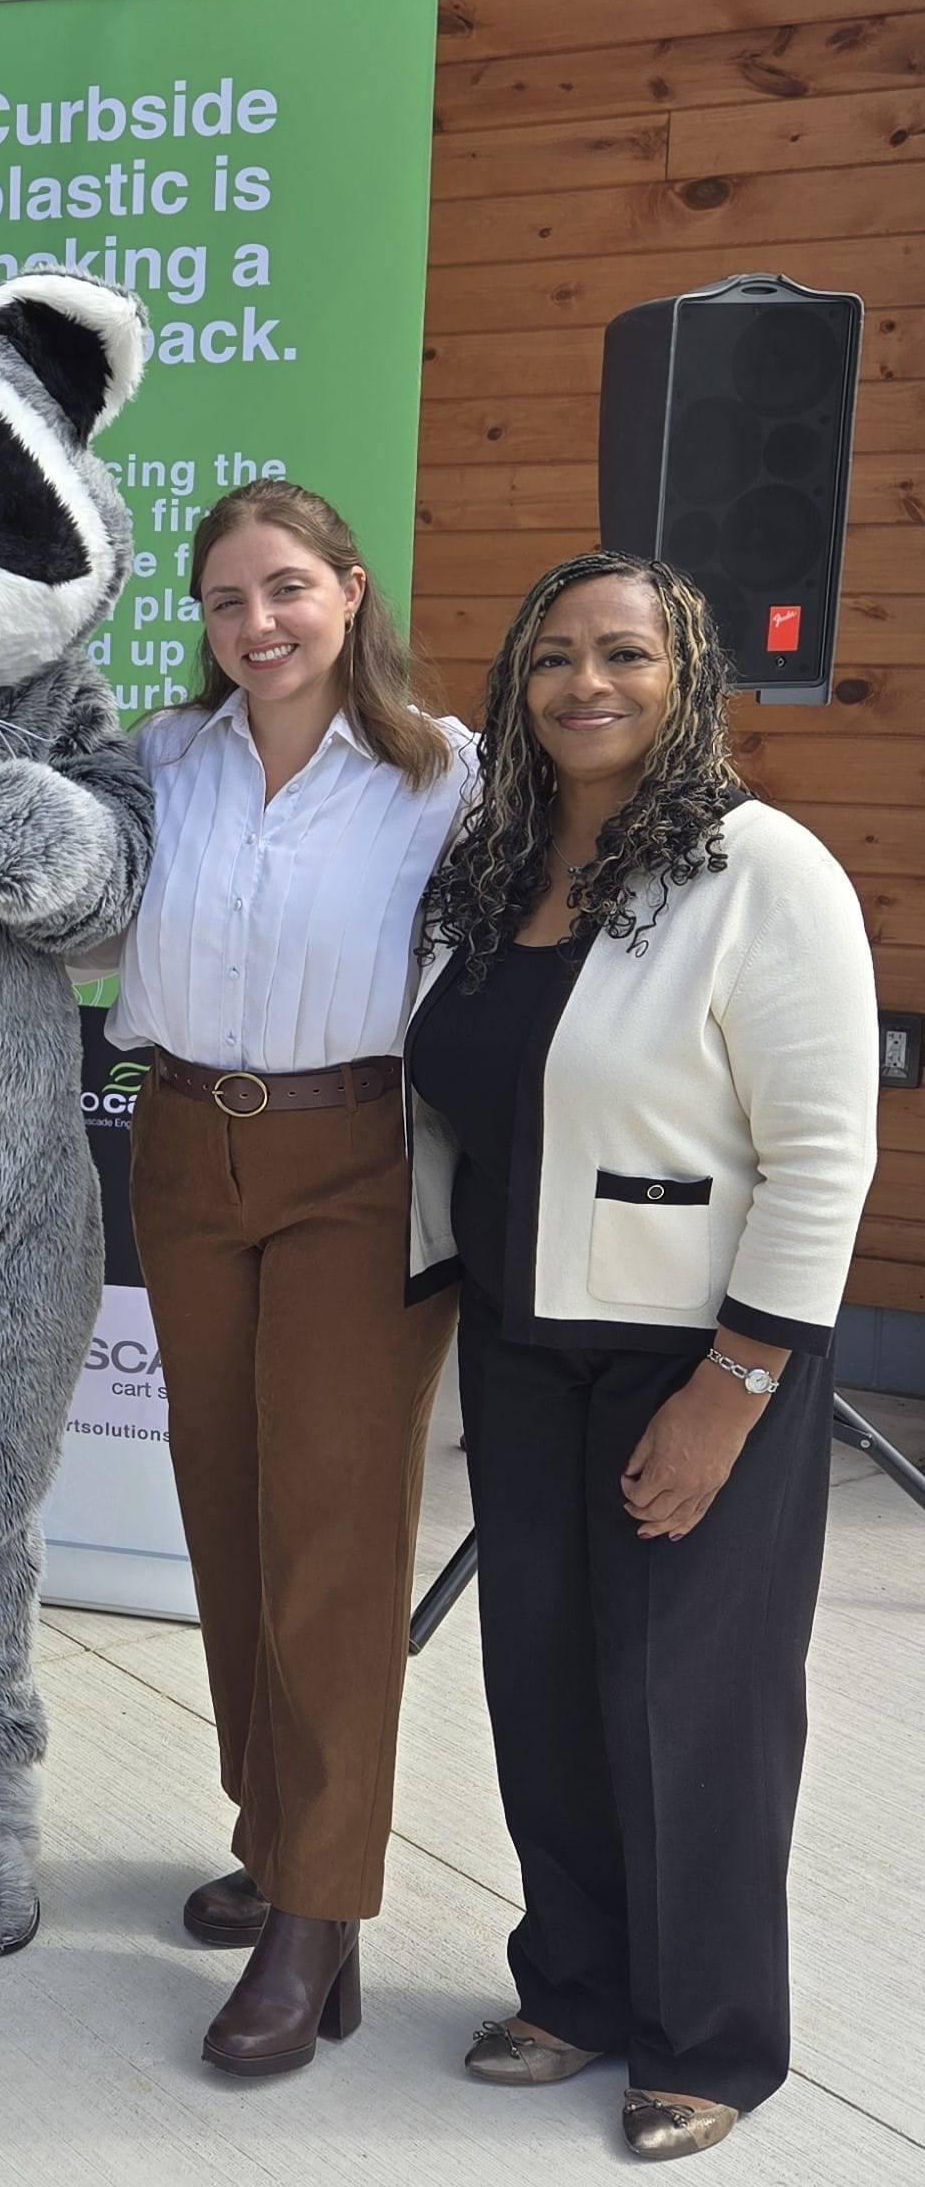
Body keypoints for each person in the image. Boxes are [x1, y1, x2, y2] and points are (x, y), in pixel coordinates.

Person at [408, 552, 875, 2161]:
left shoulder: (767, 871)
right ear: (515, 687)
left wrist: (734, 1390)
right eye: (553, 657)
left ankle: (712, 2039)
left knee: (693, 1702)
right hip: (524, 1336)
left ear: (690, 680)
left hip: (698, 1350)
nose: (585, 685)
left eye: (626, 654)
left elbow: (822, 1159)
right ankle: (581, 1985)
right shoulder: (492, 863)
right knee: (541, 1682)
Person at [98, 480, 473, 2074]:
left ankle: (323, 1913)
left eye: (288, 588)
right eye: (229, 597)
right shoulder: (157, 763)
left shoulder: (442, 774)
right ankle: (275, 1843)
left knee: (331, 1532)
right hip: (186, 1144)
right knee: (230, 1508)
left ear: (350, 590)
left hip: (358, 1161)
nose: (259, 623)